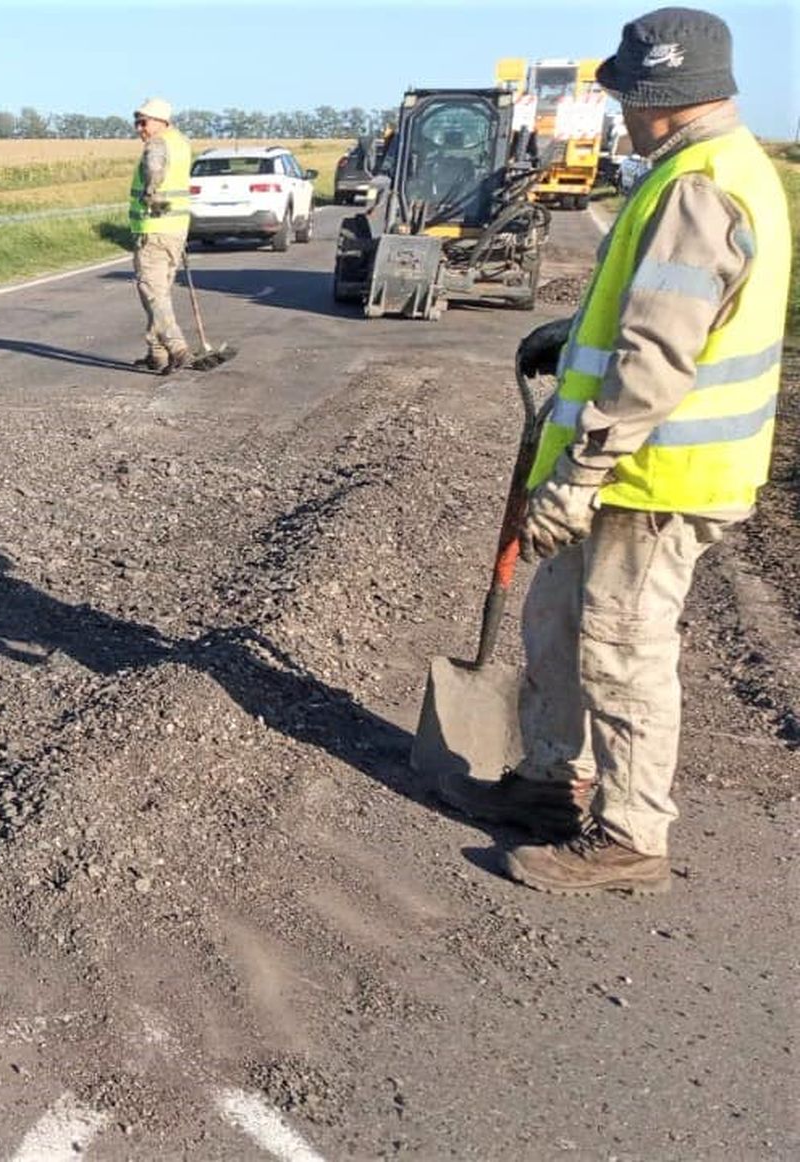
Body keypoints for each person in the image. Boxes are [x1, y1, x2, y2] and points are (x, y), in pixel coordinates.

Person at [448, 7, 792, 895]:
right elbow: (655, 309)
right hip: (633, 463)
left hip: (652, 472)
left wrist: (581, 474)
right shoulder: (695, 169)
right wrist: (571, 333)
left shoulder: (699, 184)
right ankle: (552, 778)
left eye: (628, 99)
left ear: (660, 100)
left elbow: (653, 361)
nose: (620, 115)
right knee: (557, 617)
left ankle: (631, 835)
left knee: (621, 643)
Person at [128, 97, 193, 374]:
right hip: (175, 229)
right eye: (136, 122)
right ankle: (157, 353)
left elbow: (154, 169)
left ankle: (177, 348)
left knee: (152, 291)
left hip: (154, 229)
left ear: (160, 122)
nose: (139, 128)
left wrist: (150, 194)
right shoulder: (180, 141)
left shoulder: (157, 144)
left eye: (143, 122)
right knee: (160, 292)